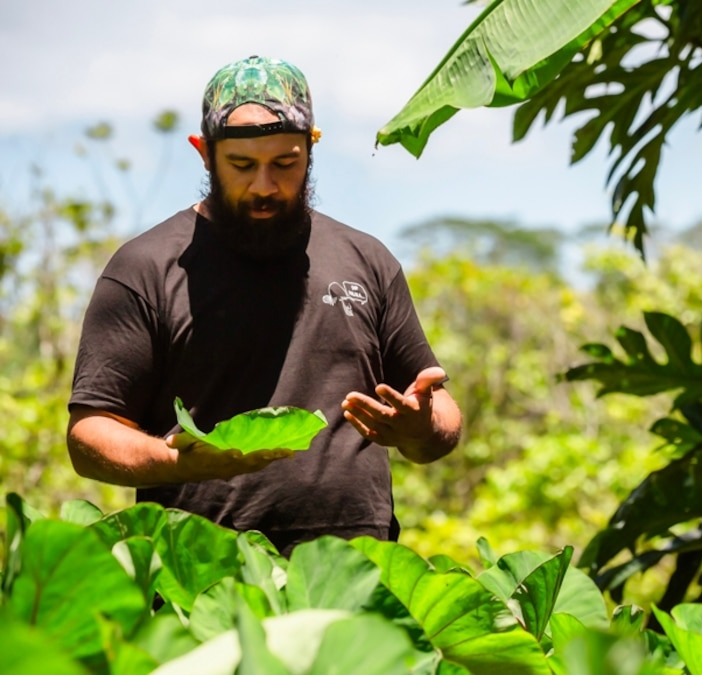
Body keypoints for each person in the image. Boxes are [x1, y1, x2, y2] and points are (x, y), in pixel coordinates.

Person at [66, 55, 462, 556]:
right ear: (204, 153)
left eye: (285, 163)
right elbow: (90, 432)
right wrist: (176, 463)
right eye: (242, 165)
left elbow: (439, 410)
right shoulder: (145, 268)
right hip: (203, 583)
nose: (264, 185)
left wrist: (421, 426)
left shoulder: (367, 260)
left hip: (354, 576)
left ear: (311, 148)